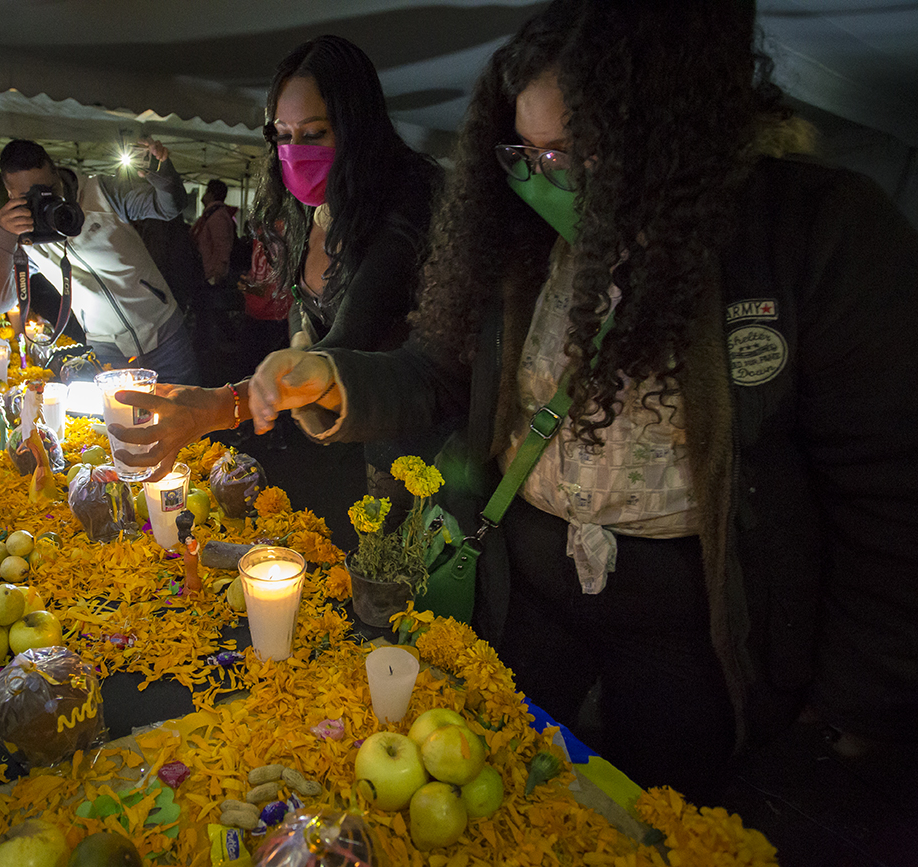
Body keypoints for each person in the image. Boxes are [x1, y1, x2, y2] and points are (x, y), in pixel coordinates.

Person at [245, 0, 918, 810]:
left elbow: (885, 492)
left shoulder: (811, 232)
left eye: (577, 151)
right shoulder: (522, 240)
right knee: (506, 796)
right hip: (525, 596)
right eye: (529, 154)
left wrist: (850, 708)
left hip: (697, 635)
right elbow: (437, 373)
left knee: (659, 811)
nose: (550, 177)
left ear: (672, 131)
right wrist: (333, 378)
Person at [108, 35, 443, 477]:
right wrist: (300, 339)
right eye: (283, 135)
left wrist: (220, 405)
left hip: (425, 447)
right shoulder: (316, 209)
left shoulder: (408, 205)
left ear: (358, 126)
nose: (295, 151)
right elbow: (305, 312)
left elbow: (349, 339)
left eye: (315, 133)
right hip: (359, 438)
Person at [0, 138, 200, 385]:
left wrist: (161, 173)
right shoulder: (23, 235)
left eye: (49, 189)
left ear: (57, 172)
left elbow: (169, 207)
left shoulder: (101, 192)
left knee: (184, 413)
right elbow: (1, 302)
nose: (45, 200)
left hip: (163, 333)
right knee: (121, 422)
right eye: (30, 196)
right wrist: (3, 235)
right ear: (11, 195)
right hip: (106, 346)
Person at [190, 179, 238, 288]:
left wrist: (216, 276)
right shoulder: (212, 215)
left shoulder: (217, 217)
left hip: (210, 276)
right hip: (207, 272)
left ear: (211, 194)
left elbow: (222, 247)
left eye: (206, 192)